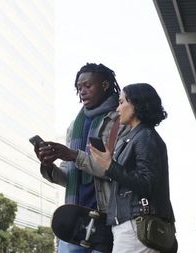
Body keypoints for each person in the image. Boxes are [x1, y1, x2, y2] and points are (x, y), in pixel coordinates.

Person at [35, 63, 128, 253]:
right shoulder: (74, 126)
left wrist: (72, 155)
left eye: (88, 86)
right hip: (73, 220)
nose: (82, 91)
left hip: (106, 220)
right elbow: (69, 178)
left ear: (105, 85)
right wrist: (49, 165)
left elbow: (114, 170)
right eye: (79, 88)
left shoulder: (120, 121)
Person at [90, 83, 176, 253]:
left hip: (137, 225)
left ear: (136, 104)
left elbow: (147, 182)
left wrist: (110, 165)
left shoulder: (145, 137)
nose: (118, 108)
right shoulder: (135, 137)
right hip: (130, 225)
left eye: (122, 102)